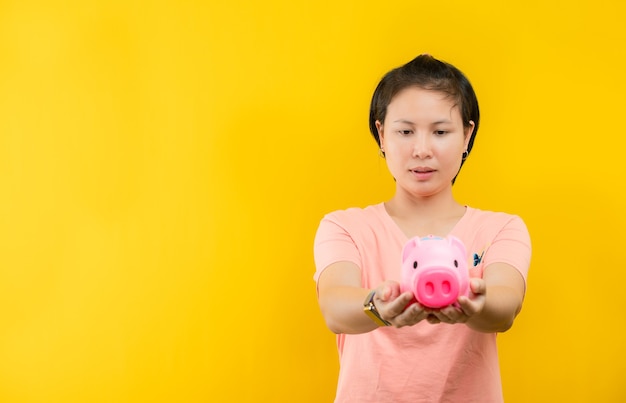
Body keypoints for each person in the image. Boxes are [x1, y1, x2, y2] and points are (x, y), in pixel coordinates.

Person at [313, 54, 531, 402]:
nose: (422, 150)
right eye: (405, 131)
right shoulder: (345, 227)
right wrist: (377, 307)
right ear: (381, 134)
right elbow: (335, 306)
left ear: (466, 135)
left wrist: (476, 303)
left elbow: (506, 306)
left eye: (441, 132)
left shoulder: (501, 229)